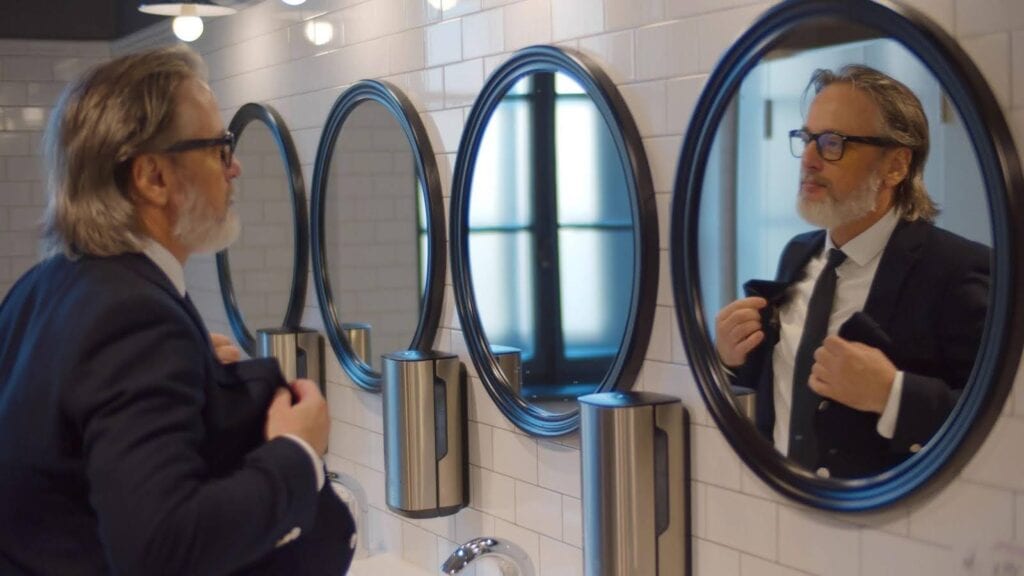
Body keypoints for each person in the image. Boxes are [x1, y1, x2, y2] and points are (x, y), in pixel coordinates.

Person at [0, 46, 355, 574]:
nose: (233, 167)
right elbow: (162, 548)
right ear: (153, 178)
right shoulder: (133, 317)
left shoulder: (39, 289)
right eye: (218, 147)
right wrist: (296, 453)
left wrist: (191, 372)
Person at [715, 65, 990, 478]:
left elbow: (1002, 422)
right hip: (779, 512)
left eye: (833, 143)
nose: (808, 159)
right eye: (807, 139)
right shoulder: (796, 256)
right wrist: (729, 358)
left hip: (889, 528)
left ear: (896, 166)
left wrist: (892, 394)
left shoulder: (959, 269)